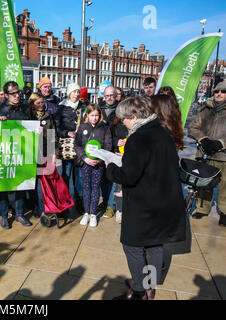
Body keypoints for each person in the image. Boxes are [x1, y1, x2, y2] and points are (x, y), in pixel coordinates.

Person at [106, 96, 186, 300]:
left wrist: (111, 167)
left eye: (124, 119)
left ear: (133, 116)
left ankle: (140, 291)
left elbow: (128, 176)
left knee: (132, 246)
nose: (123, 123)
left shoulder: (139, 137)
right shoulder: (161, 130)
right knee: (154, 245)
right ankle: (149, 287)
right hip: (164, 201)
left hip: (145, 205)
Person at [0, 81, 33, 229]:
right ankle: (4, 215)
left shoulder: (26, 108)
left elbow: (32, 127)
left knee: (20, 185)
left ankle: (19, 213)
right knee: (3, 186)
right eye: (13, 94)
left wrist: (37, 130)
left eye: (18, 93)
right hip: (3, 153)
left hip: (22, 152)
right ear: (6, 95)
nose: (17, 96)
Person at [188, 80, 226, 225]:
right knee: (204, 183)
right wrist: (203, 139)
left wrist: (220, 143)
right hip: (206, 153)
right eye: (217, 91)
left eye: (223, 91)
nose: (219, 94)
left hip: (224, 155)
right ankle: (202, 209)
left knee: (225, 185)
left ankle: (225, 212)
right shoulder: (206, 109)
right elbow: (193, 127)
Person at [75, 104, 112, 227]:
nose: (94, 118)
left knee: (95, 188)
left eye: (96, 115)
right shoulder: (82, 127)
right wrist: (84, 158)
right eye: (92, 115)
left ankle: (93, 214)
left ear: (100, 115)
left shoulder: (105, 128)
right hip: (86, 163)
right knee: (86, 188)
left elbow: (108, 146)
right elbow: (77, 145)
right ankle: (86, 213)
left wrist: (100, 160)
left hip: (98, 164)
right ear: (87, 115)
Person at [54, 83, 85, 210]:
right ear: (69, 93)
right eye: (74, 92)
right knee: (66, 173)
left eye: (78, 92)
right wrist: (67, 133)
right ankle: (64, 200)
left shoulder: (83, 107)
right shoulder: (61, 108)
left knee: (79, 175)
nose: (76, 94)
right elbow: (56, 127)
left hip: (80, 145)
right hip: (67, 146)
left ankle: (79, 201)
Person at [29, 92, 57, 217]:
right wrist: (33, 132)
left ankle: (48, 206)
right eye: (38, 103)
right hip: (31, 154)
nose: (41, 105)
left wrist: (53, 155)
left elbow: (52, 137)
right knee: (32, 184)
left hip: (45, 154)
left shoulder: (48, 117)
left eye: (42, 102)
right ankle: (34, 207)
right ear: (32, 104)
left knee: (45, 183)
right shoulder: (28, 117)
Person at [99, 86, 118, 218]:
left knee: (112, 178)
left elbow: (122, 131)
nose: (109, 98)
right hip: (100, 149)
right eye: (107, 96)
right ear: (103, 96)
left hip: (114, 150)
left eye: (112, 95)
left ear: (116, 95)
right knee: (102, 179)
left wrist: (116, 143)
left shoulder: (121, 110)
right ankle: (105, 201)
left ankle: (111, 205)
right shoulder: (99, 109)